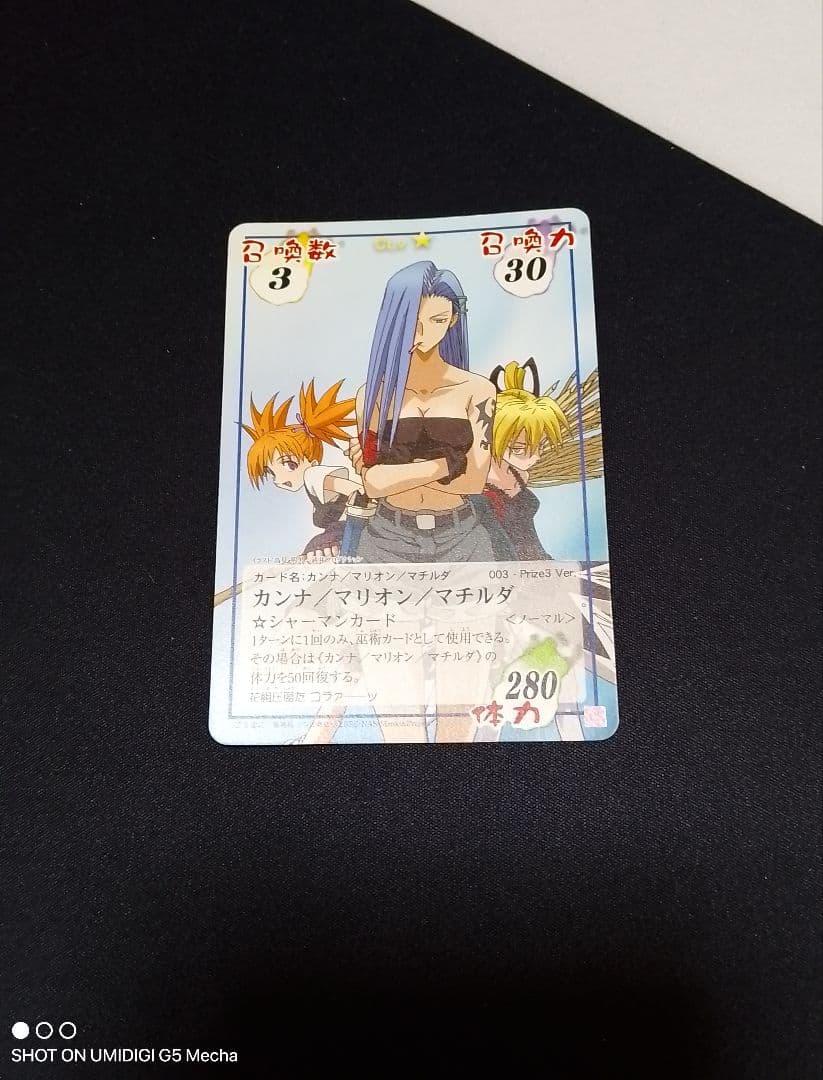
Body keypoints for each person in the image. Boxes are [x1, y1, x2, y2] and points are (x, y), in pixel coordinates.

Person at [347, 260, 497, 564]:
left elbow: (473, 482)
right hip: (386, 537)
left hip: (463, 537)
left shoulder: (478, 390)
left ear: (453, 320)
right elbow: (374, 485)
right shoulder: (373, 394)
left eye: (437, 320)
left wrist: (397, 471)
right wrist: (451, 463)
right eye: (411, 320)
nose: (422, 333)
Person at [243, 379, 362, 560]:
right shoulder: (314, 484)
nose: (279, 479)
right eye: (271, 472)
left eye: (289, 464)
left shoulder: (313, 475)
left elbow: (358, 490)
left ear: (312, 461)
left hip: (345, 535)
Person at [482, 359, 569, 559]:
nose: (534, 457)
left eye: (540, 446)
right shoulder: (475, 480)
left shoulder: (521, 475)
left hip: (534, 558)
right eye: (519, 449)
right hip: (495, 563)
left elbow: (527, 533)